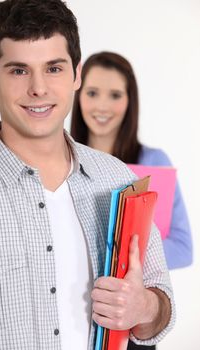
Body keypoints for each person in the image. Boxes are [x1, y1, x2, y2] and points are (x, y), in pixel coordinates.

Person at [0, 1, 174, 349]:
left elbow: (161, 302)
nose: (39, 88)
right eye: (19, 70)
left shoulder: (117, 178)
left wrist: (145, 306)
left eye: (54, 68)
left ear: (76, 74)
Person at [71, 51, 192, 349]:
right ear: (77, 95)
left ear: (130, 101)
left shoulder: (152, 162)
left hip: (131, 316)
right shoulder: (62, 162)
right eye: (92, 93)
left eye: (115, 95)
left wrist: (123, 254)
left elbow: (184, 247)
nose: (102, 106)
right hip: (74, 308)